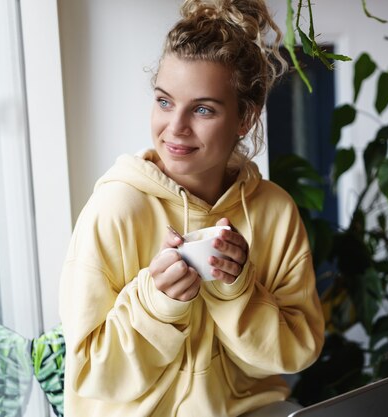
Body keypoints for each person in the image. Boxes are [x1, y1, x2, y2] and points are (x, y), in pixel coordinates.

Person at [59, 0, 325, 416]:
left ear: (245, 118)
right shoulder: (116, 208)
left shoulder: (274, 211)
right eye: (165, 102)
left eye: (202, 109)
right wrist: (156, 304)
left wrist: (237, 291)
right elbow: (91, 373)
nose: (176, 127)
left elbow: (295, 353)